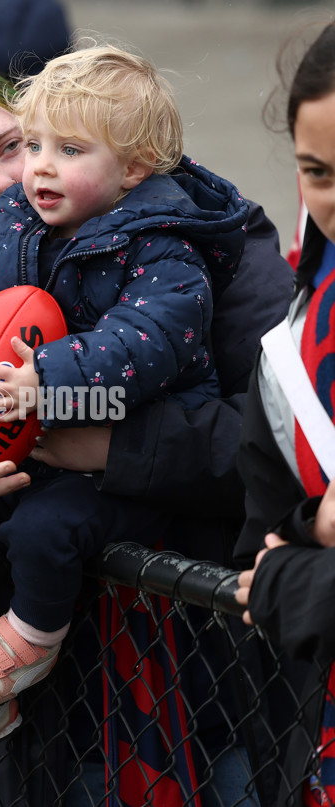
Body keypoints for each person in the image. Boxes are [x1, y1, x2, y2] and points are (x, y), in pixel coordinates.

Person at [0, 55, 294, 802]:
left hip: (210, 694)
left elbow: (282, 447)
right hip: (48, 747)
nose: (15, 179)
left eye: (14, 145)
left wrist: (104, 437)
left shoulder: (197, 244)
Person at [234, 20, 335, 807]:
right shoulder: (292, 352)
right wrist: (308, 534)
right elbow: (260, 541)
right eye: (320, 172)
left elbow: (284, 577)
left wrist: (303, 582)